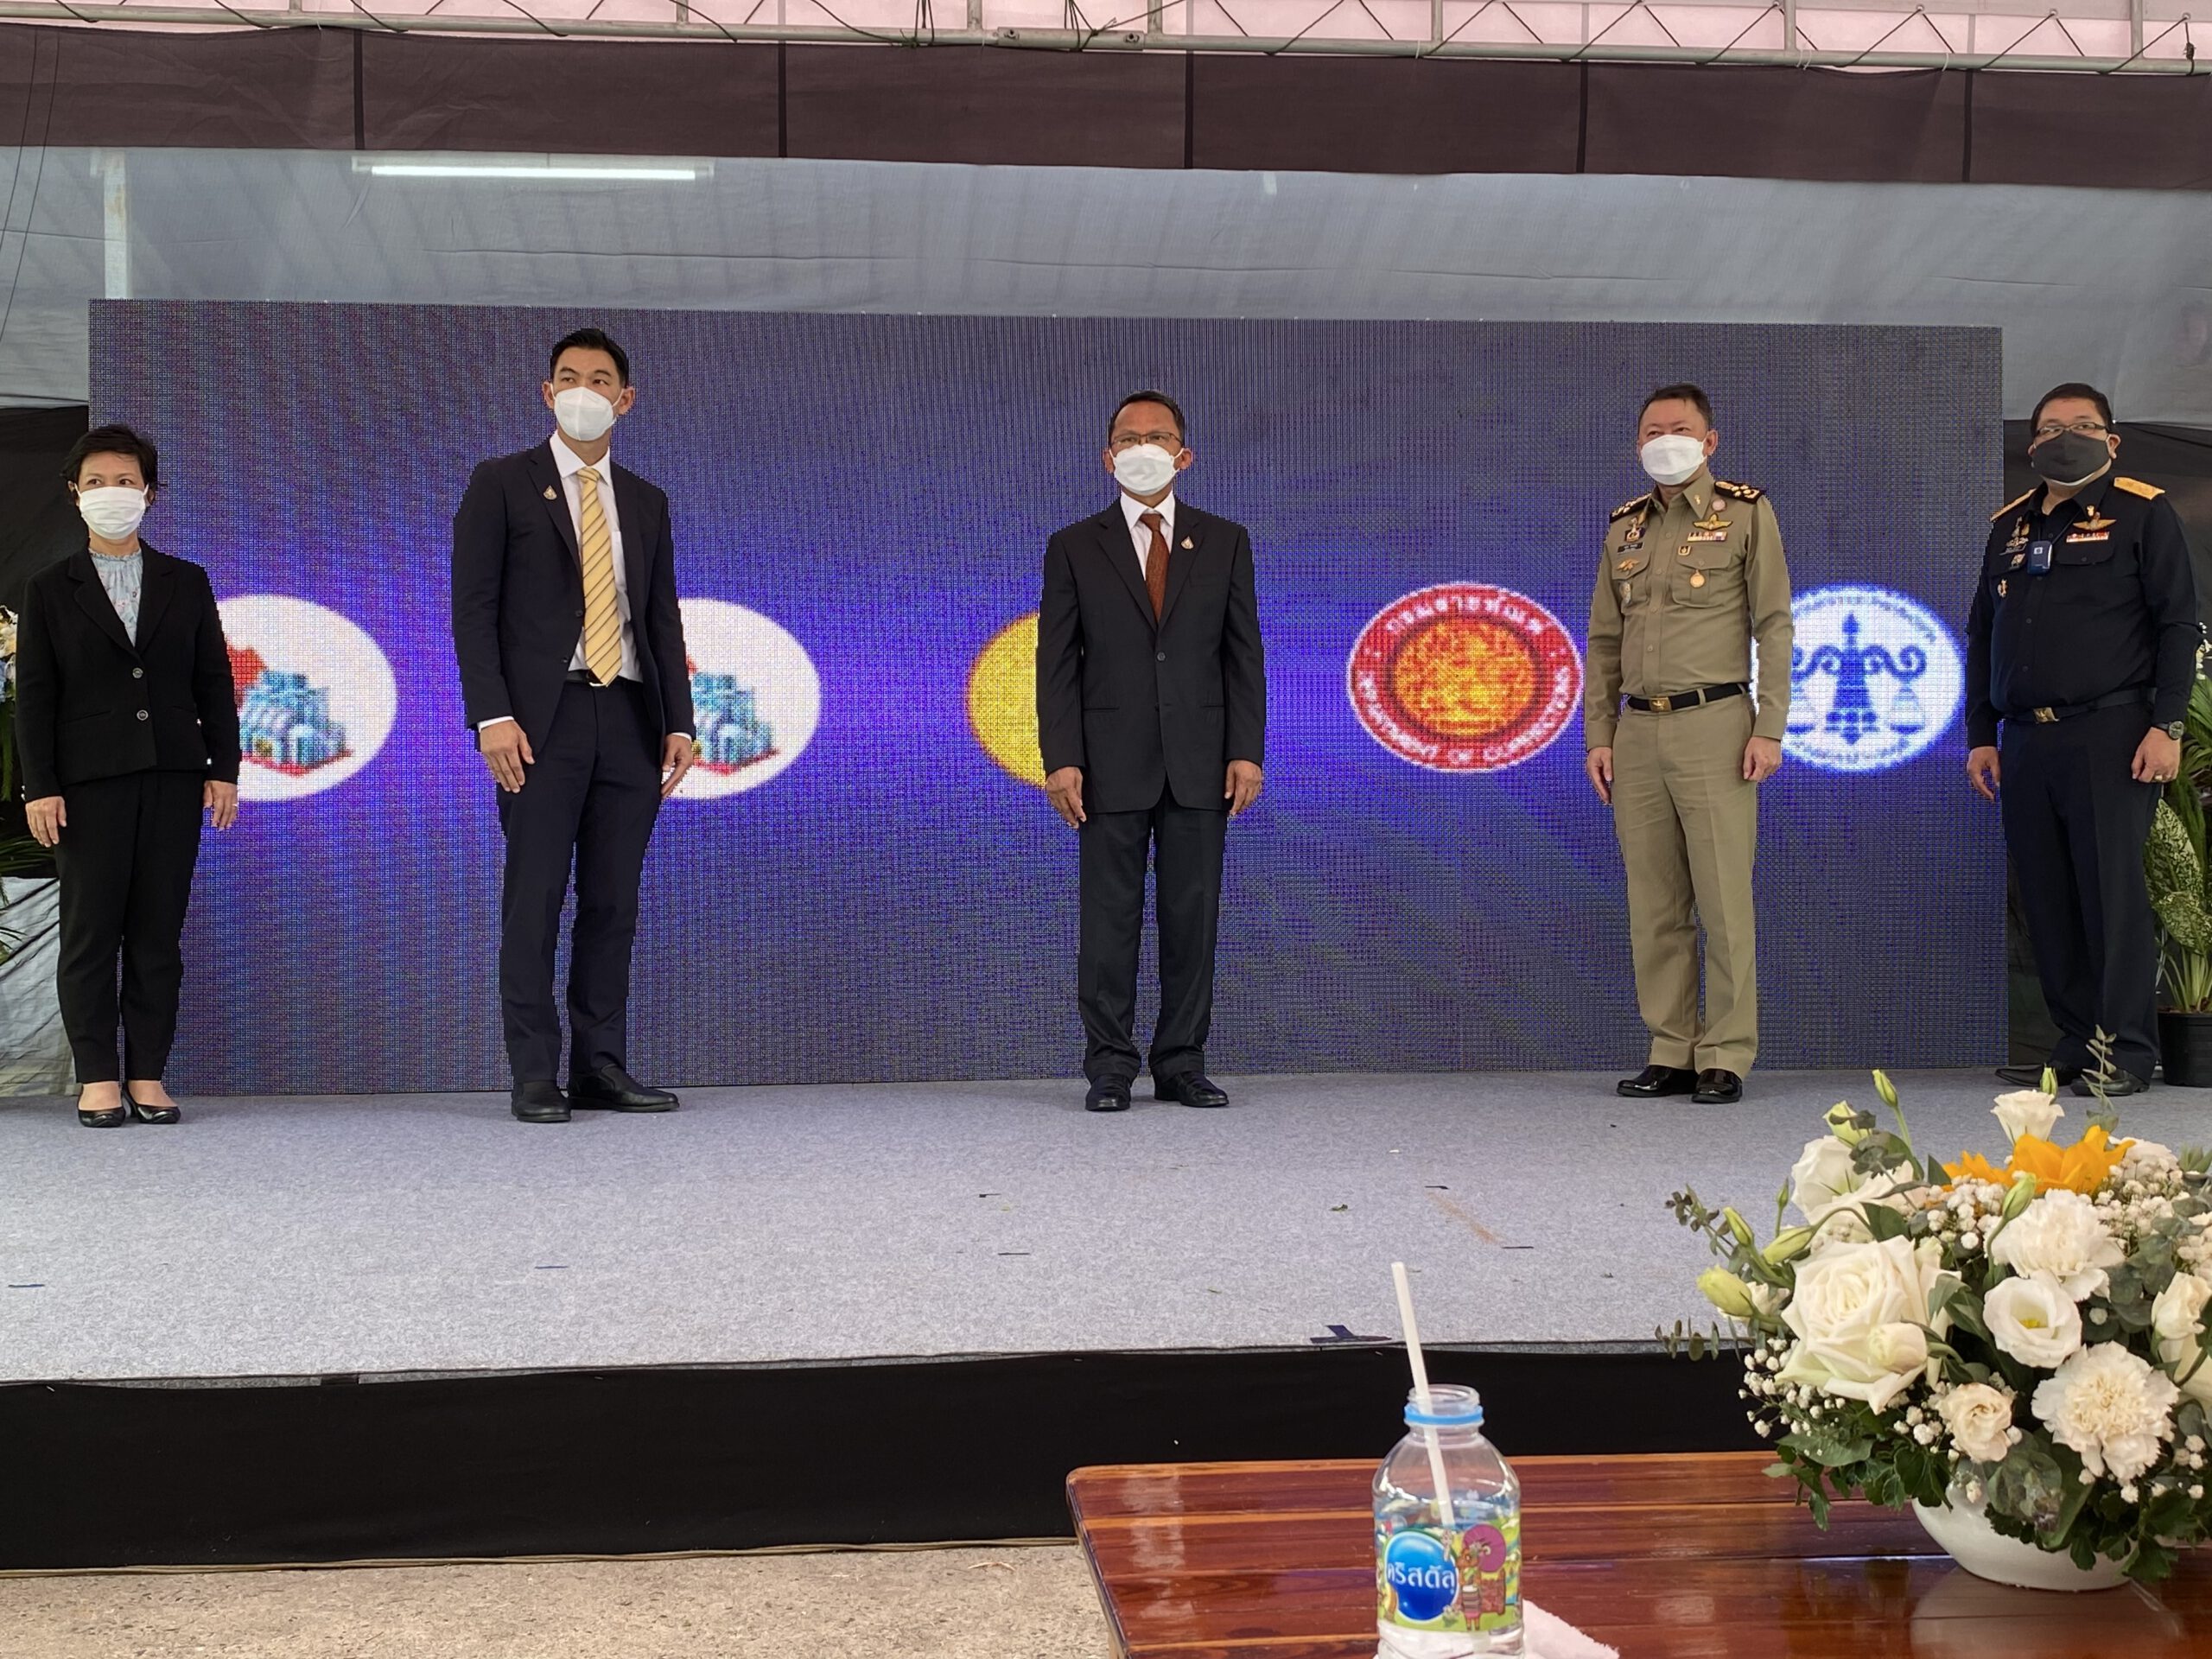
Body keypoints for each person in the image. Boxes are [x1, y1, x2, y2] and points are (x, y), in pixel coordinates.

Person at [451, 327, 696, 1124]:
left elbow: (660, 620)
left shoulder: (647, 501)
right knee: (536, 897)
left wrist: (680, 721)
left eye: (599, 379)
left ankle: (600, 1066)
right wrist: (492, 715)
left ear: (626, 400)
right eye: (568, 377)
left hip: (627, 715)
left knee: (613, 902)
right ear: (547, 392)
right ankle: (533, 1073)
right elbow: (473, 609)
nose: (583, 390)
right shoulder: (502, 483)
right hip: (539, 721)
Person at [1967, 383, 2199, 1098]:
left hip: (2112, 732)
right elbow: (1982, 636)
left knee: (2110, 898)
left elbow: (2178, 625)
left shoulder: (2143, 512)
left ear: (2112, 440)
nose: (2065, 437)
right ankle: (2075, 1042)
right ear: (2032, 443)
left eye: (2083, 425)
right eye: (2050, 428)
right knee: (2047, 898)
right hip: (2024, 739)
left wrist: (2167, 726)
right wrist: (1980, 735)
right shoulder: (2009, 526)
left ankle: (2127, 1051)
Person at [1036, 391, 1265, 1112]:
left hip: (1202, 760)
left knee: (1192, 920)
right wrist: (1061, 757)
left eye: (1157, 436)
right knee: (1108, 922)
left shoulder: (1224, 540)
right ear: (1108, 458)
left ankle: (1181, 1062)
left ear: (1183, 455)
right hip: (1106, 762)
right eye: (1128, 438)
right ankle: (1109, 1066)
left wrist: (1246, 750)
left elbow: (1242, 655)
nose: (1143, 447)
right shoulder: (1075, 545)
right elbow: (1056, 662)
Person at [15, 423, 239, 1128]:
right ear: (74, 494)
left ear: (149, 493)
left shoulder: (186, 581)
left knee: (156, 934)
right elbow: (36, 698)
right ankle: (97, 1077)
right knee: (90, 933)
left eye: (125, 481)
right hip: (85, 786)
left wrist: (224, 769)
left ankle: (147, 1073)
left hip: (173, 776)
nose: (111, 493)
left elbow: (213, 680)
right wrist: (40, 785)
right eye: (96, 483)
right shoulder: (49, 589)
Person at [1584, 384, 1793, 1106]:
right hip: (1637, 730)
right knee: (1655, 901)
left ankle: (1726, 1053)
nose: (1663, 440)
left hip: (1716, 723)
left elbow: (1775, 624)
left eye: (1678, 428)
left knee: (1723, 899)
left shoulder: (1746, 512)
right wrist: (1599, 734)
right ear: (1637, 443)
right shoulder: (1625, 528)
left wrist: (1770, 726)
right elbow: (1603, 641)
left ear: (1709, 441)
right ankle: (1671, 1047)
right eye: (1651, 430)